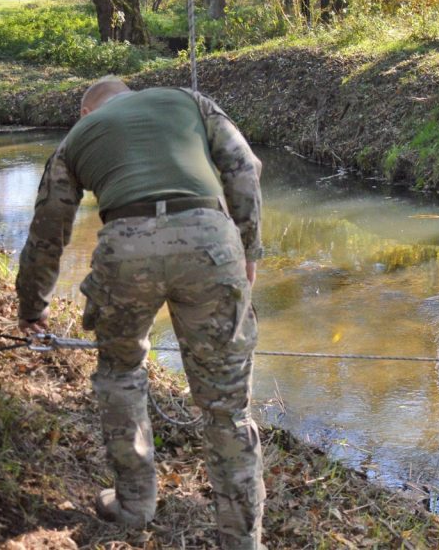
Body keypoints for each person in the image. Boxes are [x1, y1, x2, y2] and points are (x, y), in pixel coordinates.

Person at [16, 77, 265, 549]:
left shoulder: (76, 139)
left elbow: (48, 230)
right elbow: (244, 167)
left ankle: (134, 504)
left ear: (88, 113)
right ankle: (241, 539)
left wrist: (33, 307)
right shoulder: (189, 100)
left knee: (120, 373)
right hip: (210, 241)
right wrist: (249, 248)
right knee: (227, 408)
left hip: (125, 248)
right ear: (131, 94)